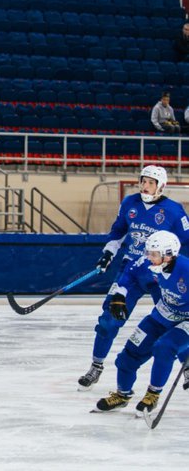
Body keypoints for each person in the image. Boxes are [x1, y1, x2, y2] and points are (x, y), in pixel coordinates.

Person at [77, 165, 189, 390]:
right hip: (132, 272)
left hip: (161, 275)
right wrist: (108, 253)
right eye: (143, 181)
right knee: (109, 320)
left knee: (173, 318)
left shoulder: (175, 211)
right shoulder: (129, 203)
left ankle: (186, 365)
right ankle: (96, 365)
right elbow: (118, 231)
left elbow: (186, 244)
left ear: (161, 186)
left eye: (150, 182)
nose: (145, 186)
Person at [94, 231, 189, 414]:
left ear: (168, 255)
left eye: (153, 254)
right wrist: (119, 296)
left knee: (164, 347)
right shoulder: (148, 263)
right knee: (126, 358)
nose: (148, 257)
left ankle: (152, 394)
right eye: (148, 252)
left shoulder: (186, 269)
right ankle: (122, 395)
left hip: (186, 320)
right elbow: (130, 272)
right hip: (161, 316)